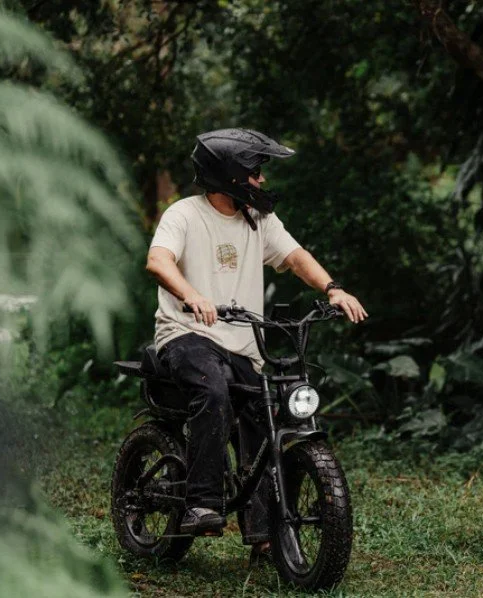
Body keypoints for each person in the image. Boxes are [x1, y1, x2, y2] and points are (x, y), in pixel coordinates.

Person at [146, 128, 367, 564]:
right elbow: (158, 260)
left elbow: (296, 257)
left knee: (266, 416)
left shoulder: (258, 220)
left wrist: (333, 289)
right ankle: (202, 502)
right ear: (229, 176)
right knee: (213, 391)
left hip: (241, 347)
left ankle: (265, 530)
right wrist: (191, 295)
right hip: (186, 336)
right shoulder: (184, 215)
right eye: (254, 173)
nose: (261, 181)